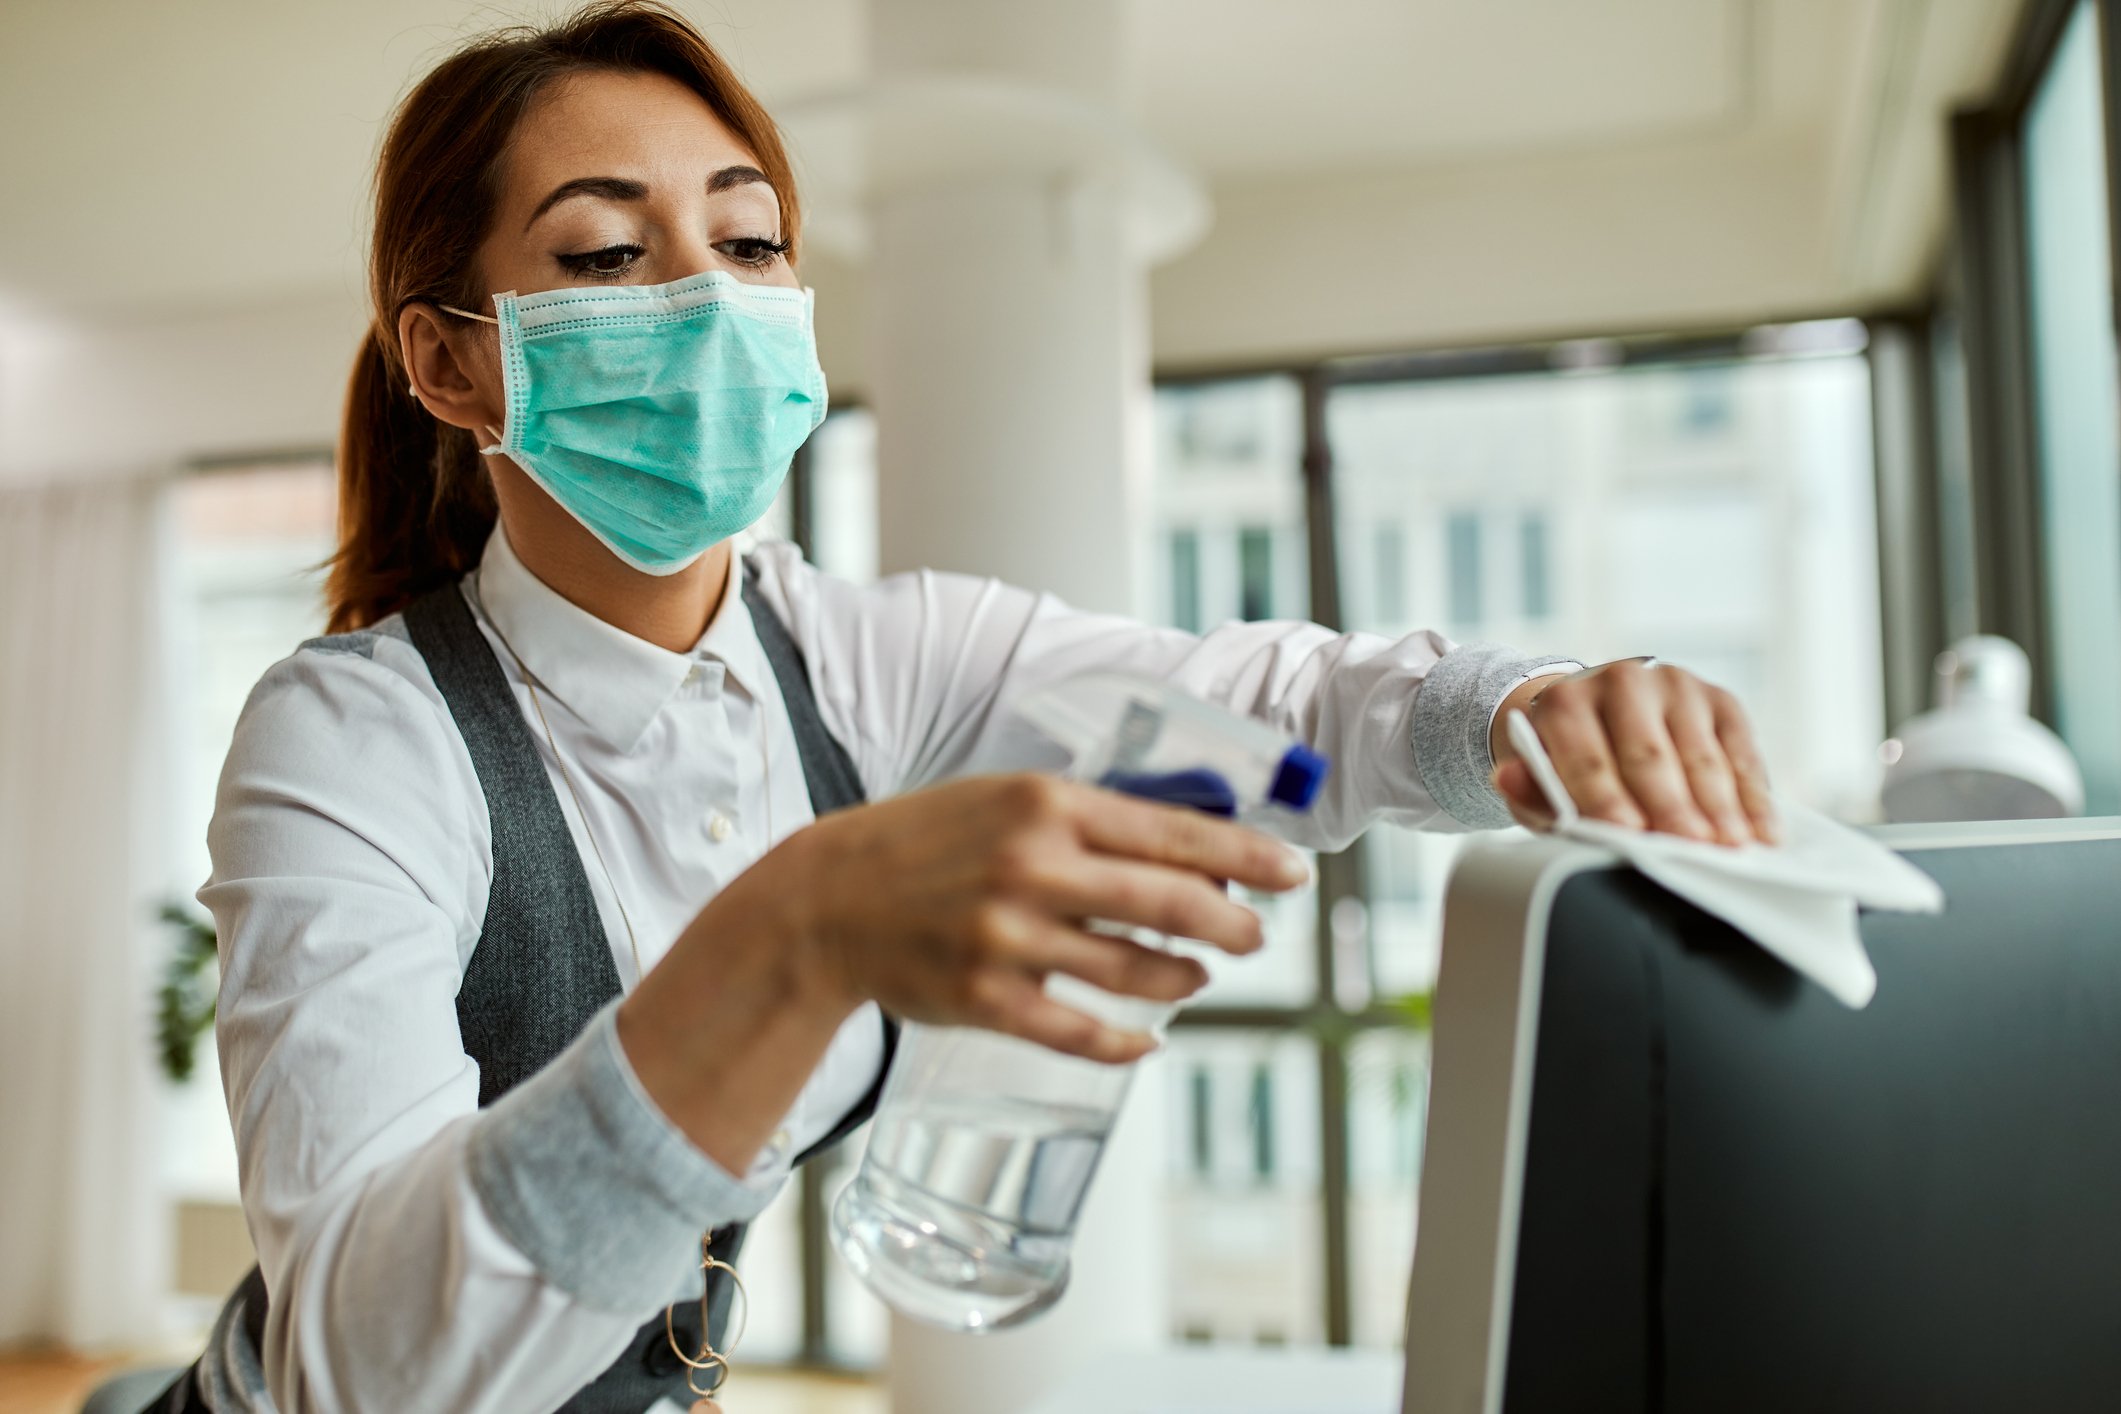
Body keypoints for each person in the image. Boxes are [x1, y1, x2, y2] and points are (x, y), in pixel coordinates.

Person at [109, 4, 1778, 1411]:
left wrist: (1512, 719)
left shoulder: (872, 666)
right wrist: (793, 934)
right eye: (611, 252)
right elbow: (354, 1364)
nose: (709, 295)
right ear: (454, 364)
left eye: (750, 239)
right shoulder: (356, 737)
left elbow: (1265, 727)